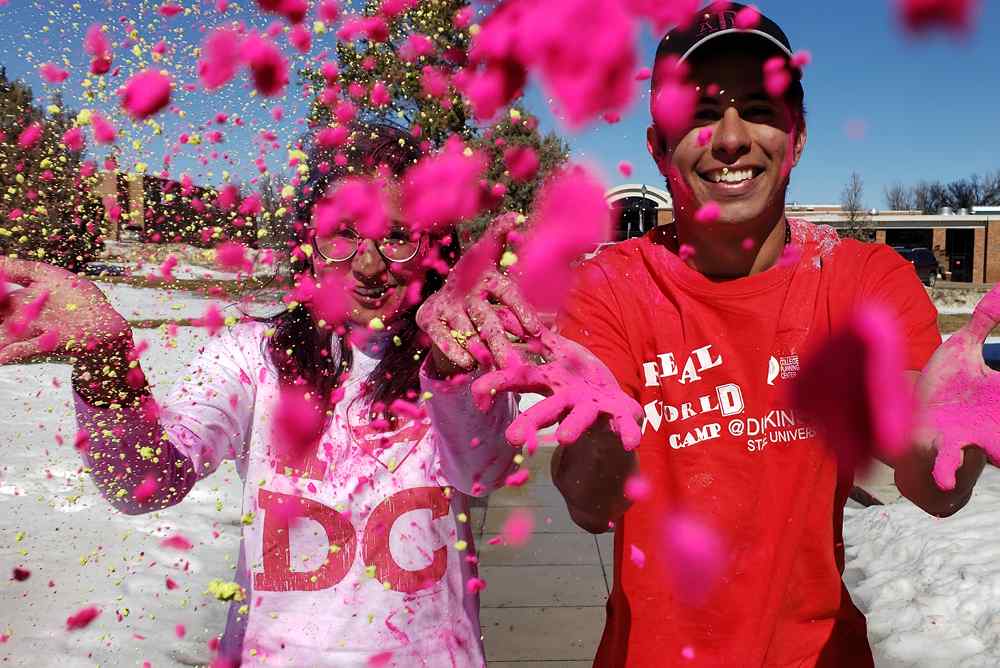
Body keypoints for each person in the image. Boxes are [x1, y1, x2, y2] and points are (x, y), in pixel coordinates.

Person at [425, 4, 998, 667]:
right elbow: (590, 507)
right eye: (699, 114)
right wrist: (610, 431)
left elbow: (933, 488)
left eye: (758, 107)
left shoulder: (864, 282)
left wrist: (958, 433)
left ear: (797, 134)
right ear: (658, 147)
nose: (731, 137)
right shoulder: (613, 287)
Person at [0, 124, 529, 667]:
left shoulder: (457, 356)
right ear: (308, 242)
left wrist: (450, 369)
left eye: (397, 237)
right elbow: (143, 485)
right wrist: (106, 367)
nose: (369, 265)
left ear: (436, 248)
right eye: (342, 234)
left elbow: (485, 474)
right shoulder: (252, 356)